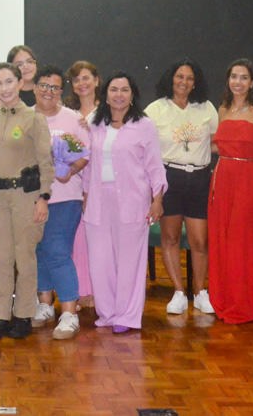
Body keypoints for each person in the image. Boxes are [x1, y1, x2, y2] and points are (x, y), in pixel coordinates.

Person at [0, 63, 54, 341]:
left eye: (9, 82)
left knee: (25, 257)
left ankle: (23, 316)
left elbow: (45, 162)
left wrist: (43, 198)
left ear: (20, 83)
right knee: (0, 257)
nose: (4, 88)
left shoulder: (34, 119)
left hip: (26, 196)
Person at [82, 72, 166, 333]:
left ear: (132, 95)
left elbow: (155, 165)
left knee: (130, 261)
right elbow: (87, 165)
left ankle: (127, 316)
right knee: (100, 260)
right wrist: (85, 197)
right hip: (98, 200)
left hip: (133, 200)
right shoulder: (94, 123)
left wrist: (157, 199)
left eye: (124, 90)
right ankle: (107, 313)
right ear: (105, 95)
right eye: (114, 89)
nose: (119, 94)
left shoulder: (144, 125)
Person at [143, 58, 218, 316]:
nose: (184, 82)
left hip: (199, 178)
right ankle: (178, 292)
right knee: (170, 238)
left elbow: (217, 141)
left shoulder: (206, 108)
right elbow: (145, 147)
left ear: (195, 83)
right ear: (171, 78)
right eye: (179, 76)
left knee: (200, 241)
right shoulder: (155, 109)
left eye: (189, 78)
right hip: (169, 178)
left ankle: (200, 292)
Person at [30, 65, 90, 340]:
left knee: (57, 251)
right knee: (39, 250)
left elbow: (85, 153)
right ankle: (45, 305)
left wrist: (71, 170)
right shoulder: (24, 116)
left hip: (65, 197)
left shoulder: (73, 118)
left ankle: (69, 313)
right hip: (31, 197)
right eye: (44, 85)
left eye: (55, 87)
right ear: (34, 87)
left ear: (61, 91)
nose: (48, 92)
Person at [208, 58, 253, 324]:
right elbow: (216, 146)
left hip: (247, 179)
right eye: (234, 76)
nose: (238, 82)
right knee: (220, 239)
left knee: (241, 242)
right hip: (221, 178)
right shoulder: (221, 111)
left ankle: (242, 304)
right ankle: (221, 300)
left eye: (244, 77)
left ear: (252, 82)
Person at [64, 60, 100, 308]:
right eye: (76, 80)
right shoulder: (68, 112)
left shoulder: (108, 110)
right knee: (77, 239)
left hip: (102, 181)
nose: (81, 83)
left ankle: (99, 292)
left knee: (98, 240)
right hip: (75, 182)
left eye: (86, 78)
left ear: (96, 81)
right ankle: (79, 291)